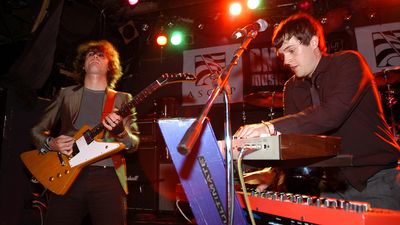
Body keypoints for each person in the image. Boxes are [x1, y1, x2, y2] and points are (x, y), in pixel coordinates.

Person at [234, 13, 400, 210]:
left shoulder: (348, 63)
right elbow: (296, 144)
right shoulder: (292, 88)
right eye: (282, 54)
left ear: (313, 42)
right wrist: (273, 173)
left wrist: (269, 127)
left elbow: (332, 113)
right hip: (331, 187)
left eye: (291, 50)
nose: (286, 61)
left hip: (375, 180)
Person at [31, 40, 140, 225]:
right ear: (83, 64)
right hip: (66, 174)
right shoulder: (65, 94)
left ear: (110, 65)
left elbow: (134, 144)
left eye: (101, 55)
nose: (95, 57)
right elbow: (37, 130)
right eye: (90, 54)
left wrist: (121, 132)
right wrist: (51, 143)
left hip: (109, 178)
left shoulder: (123, 99)